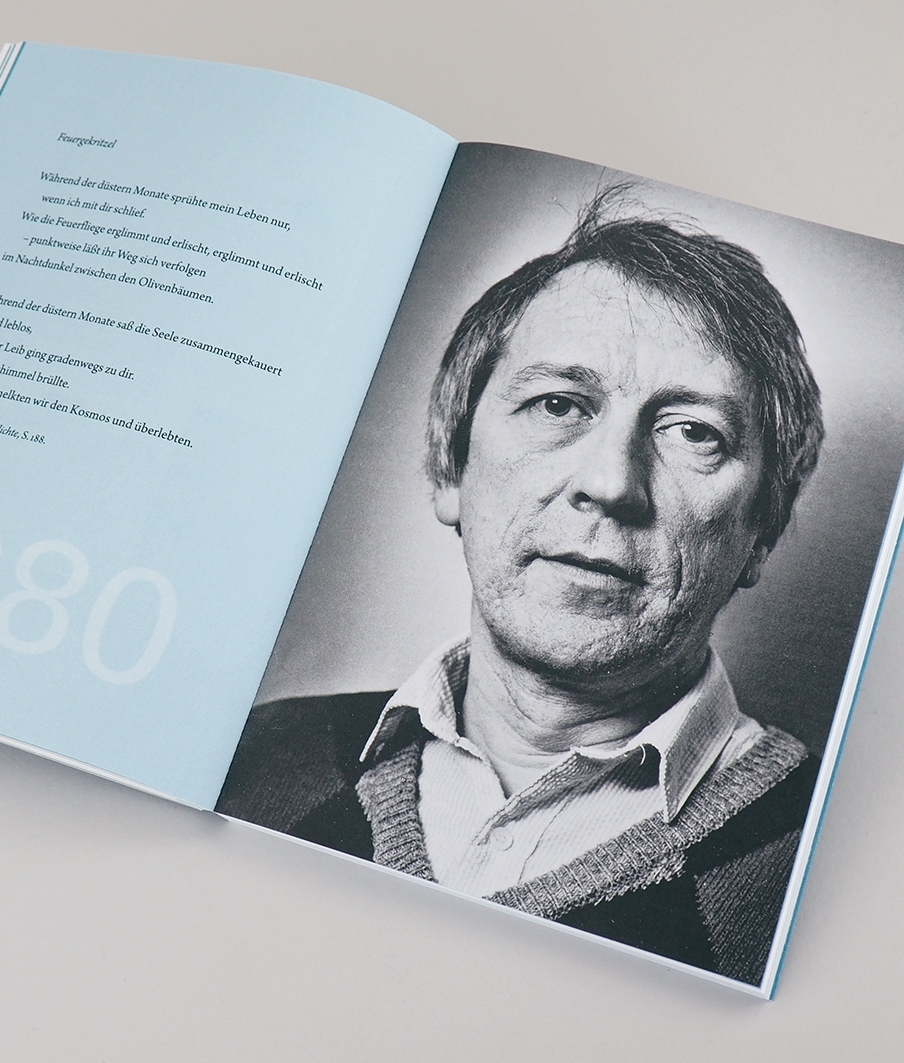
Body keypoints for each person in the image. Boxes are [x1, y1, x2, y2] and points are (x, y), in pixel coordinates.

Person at [217, 193, 825, 986]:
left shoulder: (832, 866)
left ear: (763, 530)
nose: (611, 484)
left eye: (693, 433)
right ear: (450, 469)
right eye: (558, 405)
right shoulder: (255, 752)